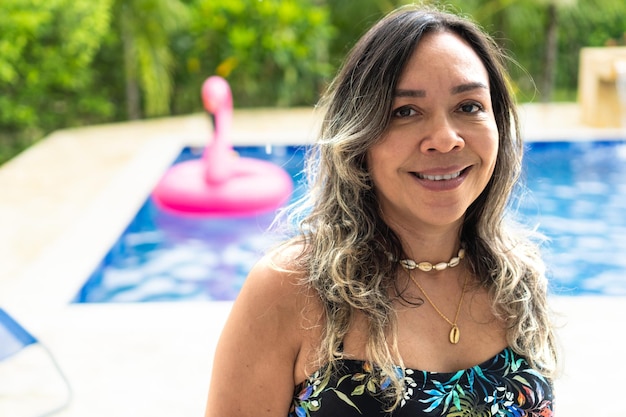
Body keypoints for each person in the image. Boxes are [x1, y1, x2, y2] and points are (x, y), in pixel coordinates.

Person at [204, 5, 558, 416]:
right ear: (359, 136)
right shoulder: (290, 289)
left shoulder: (517, 279)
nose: (445, 140)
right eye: (405, 111)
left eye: (469, 107)